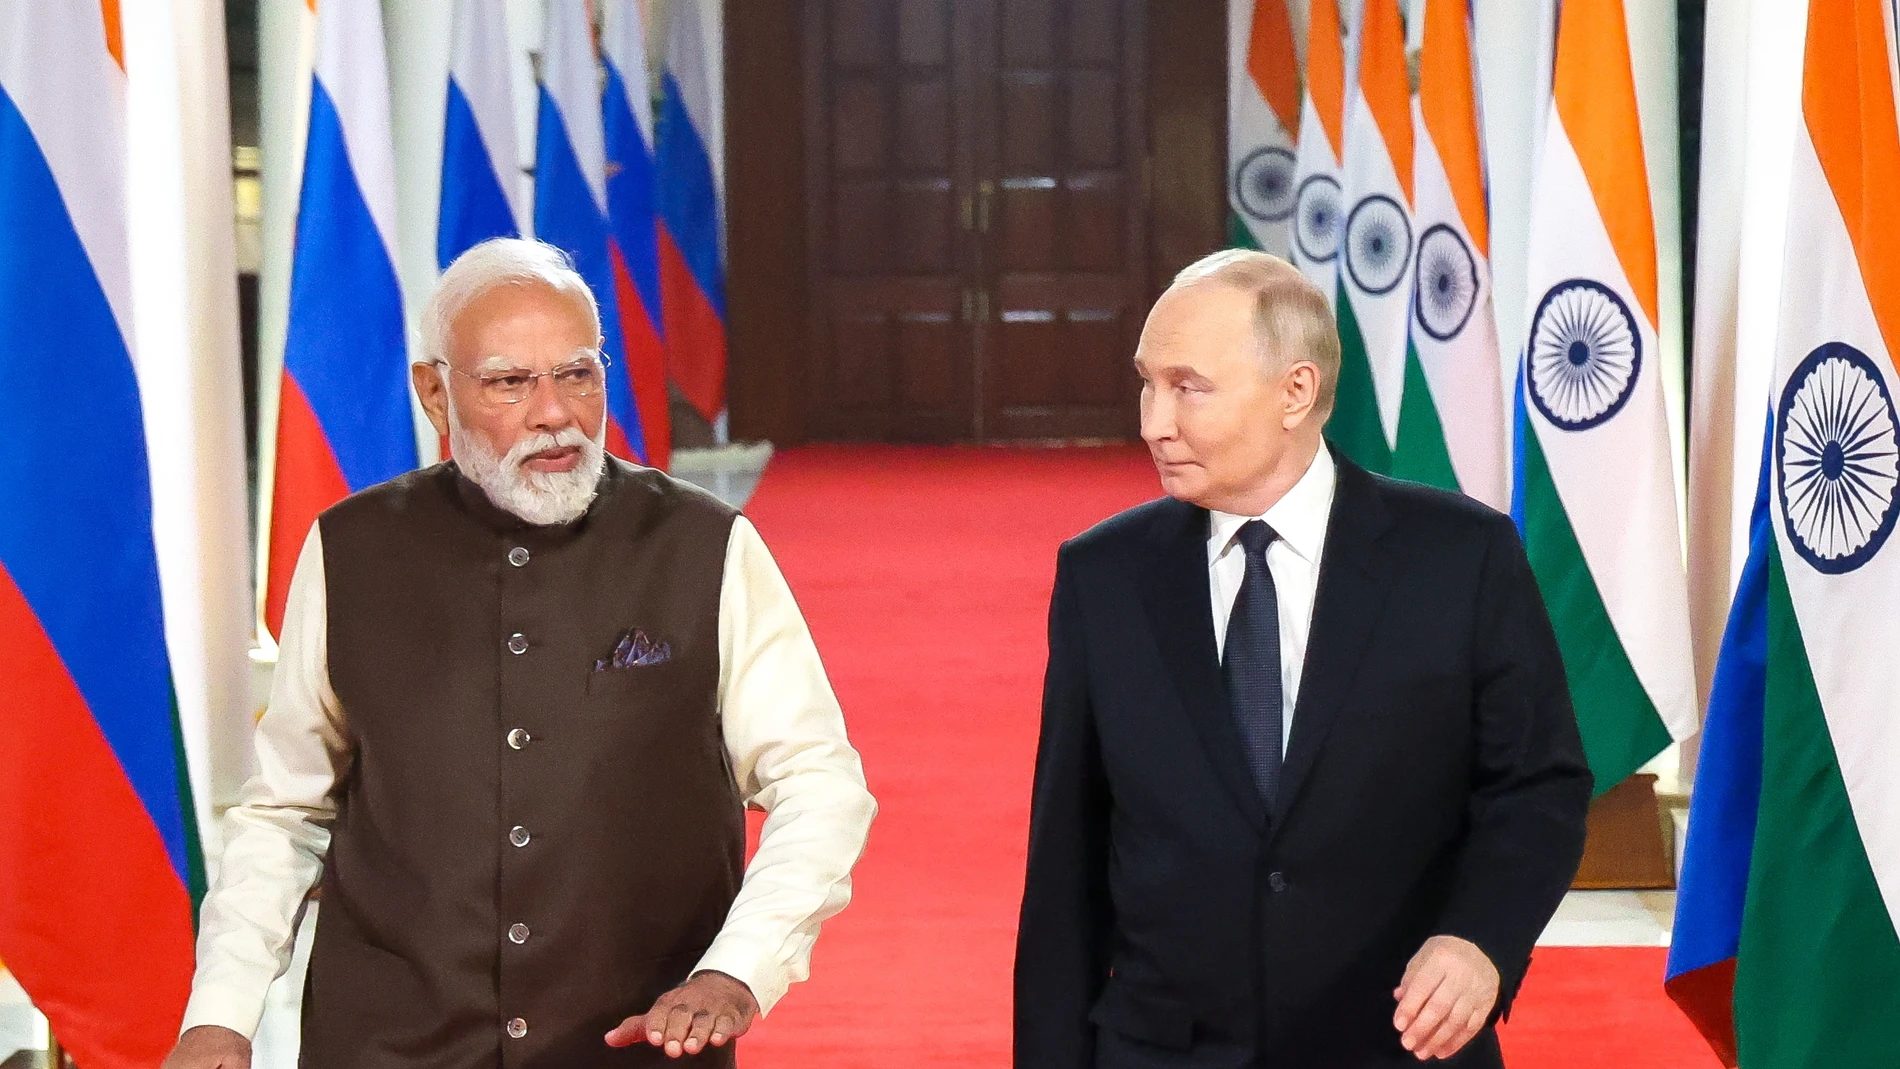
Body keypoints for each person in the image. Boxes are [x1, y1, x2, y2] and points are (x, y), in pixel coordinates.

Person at [164, 238, 876, 1069]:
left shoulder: (706, 547)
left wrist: (738, 969)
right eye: (510, 381)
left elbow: (821, 787)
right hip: (387, 1047)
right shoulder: (348, 549)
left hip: (631, 1046)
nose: (554, 414)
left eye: (577, 374)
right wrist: (220, 1013)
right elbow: (287, 810)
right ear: (435, 392)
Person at [1013, 250, 1591, 1067]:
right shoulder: (1102, 574)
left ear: (1296, 392)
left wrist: (1480, 939)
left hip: (1393, 1046)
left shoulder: (1461, 558)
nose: (1153, 421)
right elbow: (1065, 865)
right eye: (1147, 382)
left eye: (1188, 386)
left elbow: (1538, 785)